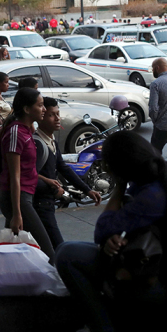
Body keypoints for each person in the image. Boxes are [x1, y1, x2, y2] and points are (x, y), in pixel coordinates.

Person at [55, 131, 167, 332]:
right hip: (166, 271)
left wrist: (118, 187)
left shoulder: (153, 195)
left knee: (68, 256)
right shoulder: (163, 175)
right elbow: (125, 225)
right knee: (71, 251)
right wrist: (114, 237)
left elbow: (101, 229)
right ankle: (97, 326)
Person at [0, 87, 54, 258]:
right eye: (40, 105)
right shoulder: (16, 133)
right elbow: (15, 176)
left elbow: (26, 168)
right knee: (48, 253)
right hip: (17, 199)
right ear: (27, 109)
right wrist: (17, 213)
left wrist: (45, 180)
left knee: (12, 253)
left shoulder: (26, 130)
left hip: (24, 196)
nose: (44, 109)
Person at [33, 98, 101, 248]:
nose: (57, 118)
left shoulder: (51, 141)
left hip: (47, 204)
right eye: (51, 115)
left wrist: (87, 190)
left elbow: (63, 168)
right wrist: (53, 187)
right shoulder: (37, 144)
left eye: (58, 114)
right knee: (56, 247)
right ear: (41, 116)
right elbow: (29, 176)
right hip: (39, 205)